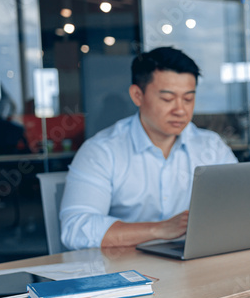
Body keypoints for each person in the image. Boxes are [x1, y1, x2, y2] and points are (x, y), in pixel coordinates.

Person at [59, 47, 237, 250]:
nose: (180, 110)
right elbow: (76, 229)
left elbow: (239, 207)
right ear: (137, 95)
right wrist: (159, 229)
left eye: (188, 99)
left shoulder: (210, 147)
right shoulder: (102, 151)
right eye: (167, 99)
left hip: (195, 260)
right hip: (124, 269)